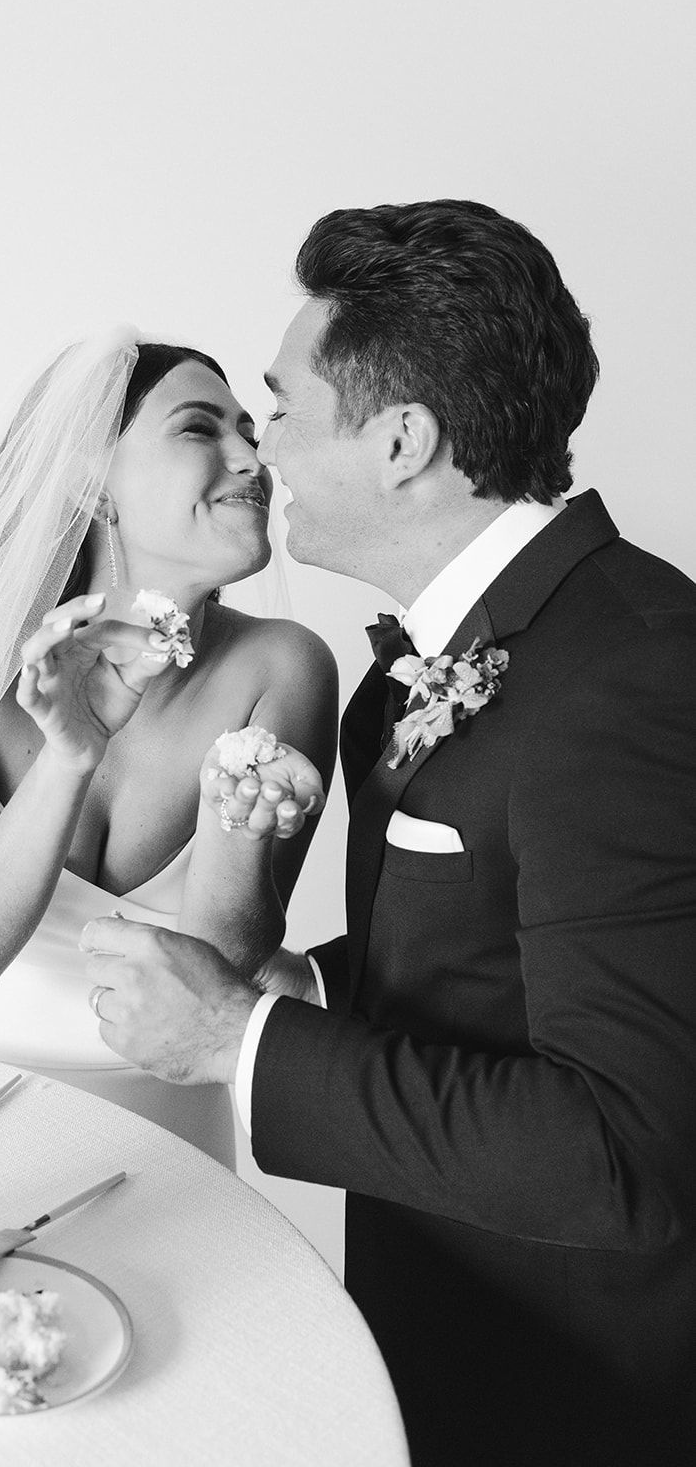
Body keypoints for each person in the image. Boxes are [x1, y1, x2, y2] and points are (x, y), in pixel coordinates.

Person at [80, 204, 696, 1464]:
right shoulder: (407, 674)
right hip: (437, 1331)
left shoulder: (628, 675)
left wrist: (234, 1042)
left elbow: (623, 1147)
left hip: (576, 1390)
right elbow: (497, 965)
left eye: (284, 410)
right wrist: (297, 982)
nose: (265, 453)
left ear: (403, 440)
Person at [0, 330, 337, 1166]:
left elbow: (217, 976)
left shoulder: (284, 666)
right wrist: (70, 755)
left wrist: (240, 823)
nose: (249, 458)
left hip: (171, 1145)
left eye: (248, 432)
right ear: (94, 485)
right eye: (200, 428)